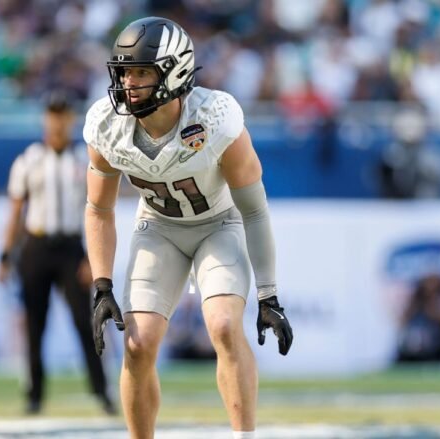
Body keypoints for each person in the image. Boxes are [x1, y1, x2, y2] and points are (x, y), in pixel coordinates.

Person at [84, 17, 293, 439]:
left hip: (219, 224)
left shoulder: (216, 118)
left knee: (223, 325)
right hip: (158, 227)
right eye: (124, 72)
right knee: (138, 345)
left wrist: (268, 294)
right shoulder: (106, 125)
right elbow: (98, 209)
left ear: (174, 71)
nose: (128, 83)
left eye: (141, 72)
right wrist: (102, 285)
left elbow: (254, 210)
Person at [0, 90, 116, 415]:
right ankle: (34, 394)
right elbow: (15, 212)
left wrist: (93, 259)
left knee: (85, 321)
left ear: (71, 119)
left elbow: (98, 211)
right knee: (35, 324)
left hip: (71, 248)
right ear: (45, 120)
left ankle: (101, 390)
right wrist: (5, 255)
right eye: (52, 115)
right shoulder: (29, 160)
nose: (57, 122)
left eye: (63, 115)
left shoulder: (84, 159)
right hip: (36, 246)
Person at [376, 107, 440, 199]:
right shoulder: (392, 152)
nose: (409, 131)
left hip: (425, 202)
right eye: (404, 127)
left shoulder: (431, 154)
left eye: (412, 126)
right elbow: (382, 181)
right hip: (398, 202)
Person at [396, 273, 440, 364]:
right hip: (410, 351)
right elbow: (404, 319)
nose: (431, 286)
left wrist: (437, 313)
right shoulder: (415, 303)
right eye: (428, 283)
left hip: (435, 351)